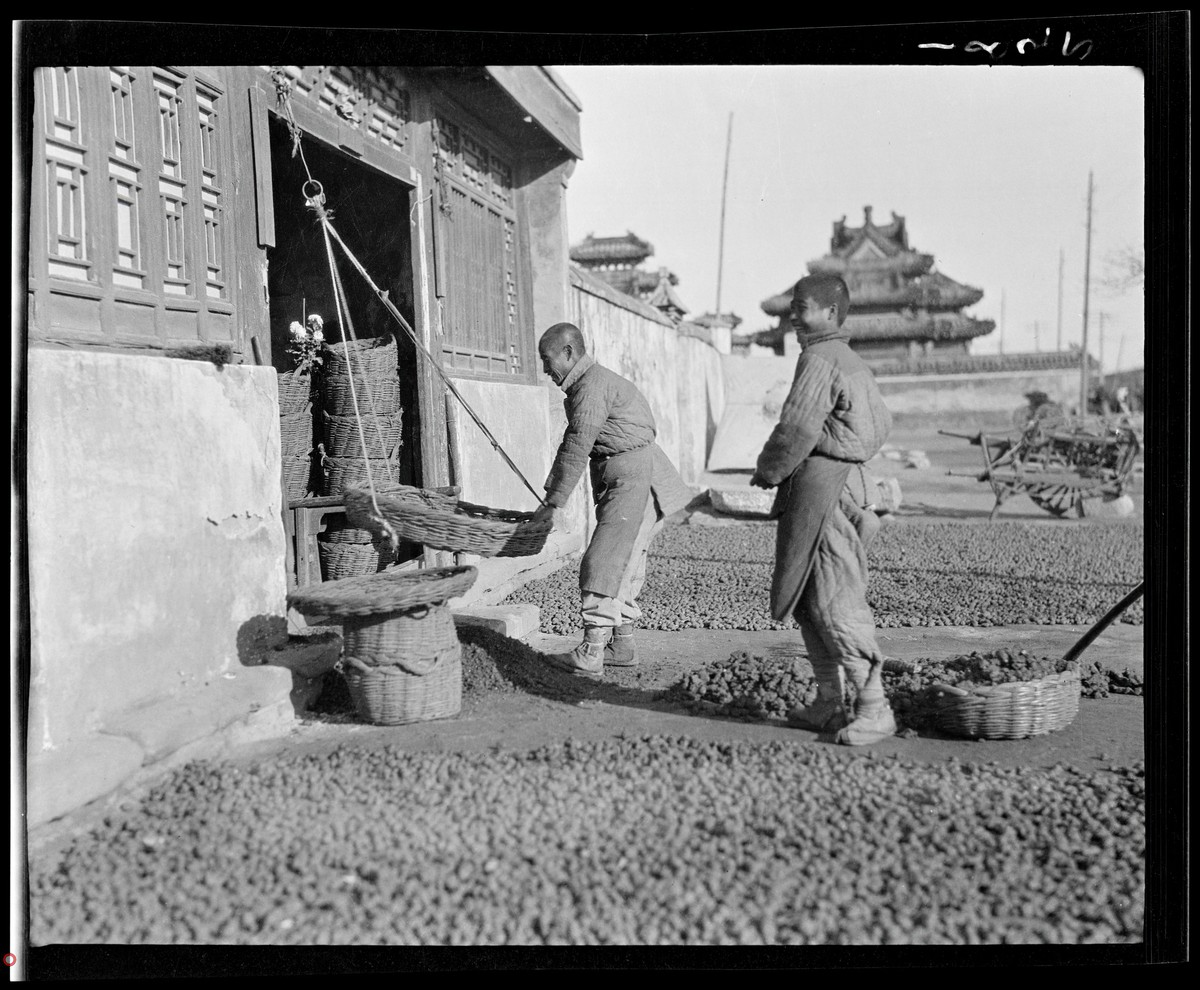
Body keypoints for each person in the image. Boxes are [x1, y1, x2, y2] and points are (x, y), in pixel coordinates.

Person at [749, 273, 896, 746]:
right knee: (812, 602)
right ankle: (830, 702)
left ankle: (875, 708)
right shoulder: (852, 361)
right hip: (848, 485)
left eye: (802, 306)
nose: (794, 314)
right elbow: (878, 428)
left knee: (834, 599)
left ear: (830, 313)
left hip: (825, 492)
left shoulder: (818, 357)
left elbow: (796, 428)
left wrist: (767, 471)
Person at [532, 322, 693, 677]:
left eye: (548, 360)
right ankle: (623, 643)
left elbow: (576, 446)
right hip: (640, 473)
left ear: (569, 353)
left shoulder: (591, 387)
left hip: (635, 476)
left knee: (604, 560)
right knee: (627, 560)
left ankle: (592, 652)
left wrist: (552, 503)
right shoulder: (593, 383)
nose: (545, 371)